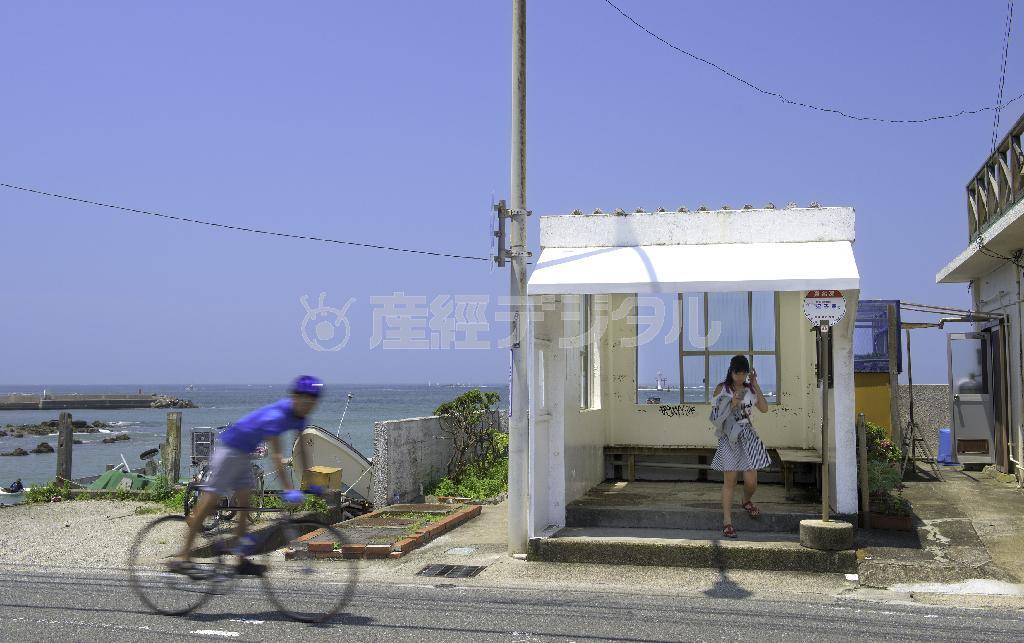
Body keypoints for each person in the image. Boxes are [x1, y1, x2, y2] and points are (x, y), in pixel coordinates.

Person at [171, 375, 323, 577]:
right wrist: (288, 489)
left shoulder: (300, 417)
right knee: (210, 500)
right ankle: (182, 557)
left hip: (244, 454)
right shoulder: (277, 416)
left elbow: (302, 450)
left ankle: (240, 561)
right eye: (305, 400)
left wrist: (311, 481)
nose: (308, 406)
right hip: (230, 449)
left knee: (245, 504)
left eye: (313, 402)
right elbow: (277, 456)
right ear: (295, 397)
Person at [708, 355, 771, 538]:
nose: (740, 377)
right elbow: (715, 417)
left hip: (748, 436)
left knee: (751, 481)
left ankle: (746, 500)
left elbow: (764, 408)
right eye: (738, 373)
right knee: (731, 480)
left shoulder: (749, 388)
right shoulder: (722, 389)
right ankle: (727, 522)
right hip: (729, 437)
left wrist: (755, 383)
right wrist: (732, 405)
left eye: (744, 374)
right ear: (731, 371)